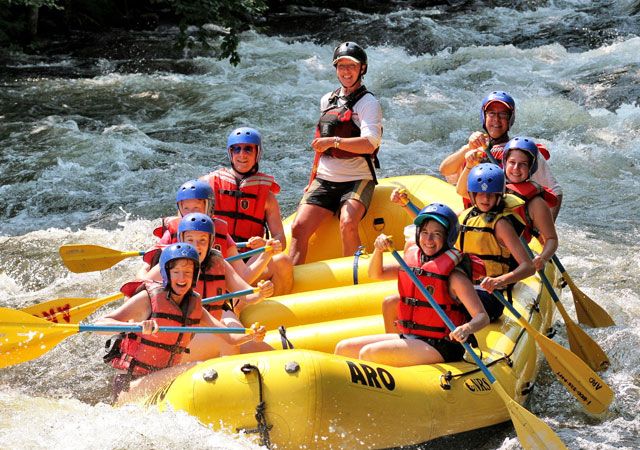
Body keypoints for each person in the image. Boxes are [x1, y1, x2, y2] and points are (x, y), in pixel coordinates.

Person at [97, 243, 266, 403]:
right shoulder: (148, 299)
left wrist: (251, 335)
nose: (182, 278)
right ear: (166, 273)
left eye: (187, 272)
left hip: (162, 377)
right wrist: (137, 326)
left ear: (195, 275)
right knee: (198, 367)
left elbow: (230, 338)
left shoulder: (194, 305)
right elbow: (100, 324)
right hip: (130, 387)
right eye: (176, 272)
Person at [334, 204, 489, 367]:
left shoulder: (455, 277)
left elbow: (482, 316)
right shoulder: (413, 264)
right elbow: (375, 274)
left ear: (448, 237)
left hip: (442, 344)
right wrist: (378, 250)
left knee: (368, 353)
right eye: (424, 233)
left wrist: (466, 328)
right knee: (343, 348)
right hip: (412, 337)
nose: (429, 240)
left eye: (436, 234)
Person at [288, 41, 383, 265]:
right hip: (325, 178)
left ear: (362, 69)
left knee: (348, 221)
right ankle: (290, 282)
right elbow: (320, 146)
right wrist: (311, 181)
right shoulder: (327, 100)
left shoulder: (369, 103)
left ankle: (353, 279)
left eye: (351, 66)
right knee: (298, 227)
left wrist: (336, 141)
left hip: (357, 178)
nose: (346, 71)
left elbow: (370, 144)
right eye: (341, 66)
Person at [140, 179, 285, 293]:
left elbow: (243, 276)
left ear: (209, 208)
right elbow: (146, 271)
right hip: (179, 298)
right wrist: (141, 281)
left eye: (196, 208)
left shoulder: (220, 234)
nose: (191, 213)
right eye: (186, 208)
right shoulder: (171, 232)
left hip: (213, 298)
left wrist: (266, 253)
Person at [439, 91, 563, 218]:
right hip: (475, 216)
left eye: (503, 114)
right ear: (484, 117)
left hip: (508, 221)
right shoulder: (474, 148)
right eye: (491, 113)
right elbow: (445, 170)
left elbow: (556, 192)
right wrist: (468, 149)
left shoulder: (523, 152)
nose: (496, 120)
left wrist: (545, 232)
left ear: (510, 119)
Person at [201, 127, 293, 295]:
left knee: (283, 261)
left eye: (248, 149)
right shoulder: (208, 185)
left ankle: (277, 312)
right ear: (230, 153)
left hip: (249, 261)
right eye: (237, 149)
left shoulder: (267, 197)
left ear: (257, 153)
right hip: (218, 257)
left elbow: (281, 239)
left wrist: (266, 244)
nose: (242, 154)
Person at [456, 163, 535, 320]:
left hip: (491, 296)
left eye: (491, 195)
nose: (485, 199)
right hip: (466, 288)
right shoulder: (465, 216)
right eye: (480, 194)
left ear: (499, 196)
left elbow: (529, 267)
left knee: (448, 306)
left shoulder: (501, 225)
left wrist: (498, 281)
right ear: (472, 195)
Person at [501, 137, 559, 271]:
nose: (516, 168)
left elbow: (551, 239)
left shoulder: (536, 203)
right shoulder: (495, 188)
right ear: (505, 163)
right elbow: (462, 191)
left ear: (531, 168)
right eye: (512, 162)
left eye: (523, 164)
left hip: (513, 261)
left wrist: (543, 258)